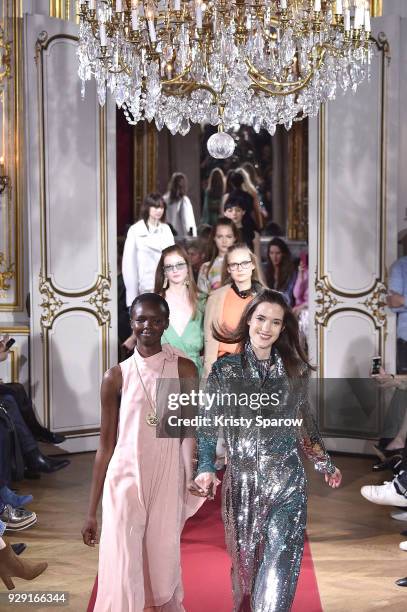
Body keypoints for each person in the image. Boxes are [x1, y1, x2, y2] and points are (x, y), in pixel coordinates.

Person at [195, 289, 342, 610]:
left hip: (287, 485)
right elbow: (207, 424)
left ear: (282, 329)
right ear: (248, 320)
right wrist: (205, 466)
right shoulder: (225, 371)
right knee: (246, 579)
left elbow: (306, 425)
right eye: (261, 318)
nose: (266, 328)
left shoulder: (294, 373)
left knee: (277, 574)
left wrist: (325, 463)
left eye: (276, 322)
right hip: (242, 488)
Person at [82, 293, 205, 611]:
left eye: (155, 319)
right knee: (123, 563)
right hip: (124, 479)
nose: (147, 325)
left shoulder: (183, 370)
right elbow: (105, 446)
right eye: (140, 319)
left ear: (165, 323)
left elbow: (183, 431)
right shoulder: (116, 376)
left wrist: (191, 473)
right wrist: (90, 511)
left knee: (160, 564)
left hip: (163, 477)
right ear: (132, 323)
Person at [203, 243, 264, 379]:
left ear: (253, 265)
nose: (240, 268)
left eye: (245, 263)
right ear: (228, 268)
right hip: (222, 370)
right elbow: (208, 340)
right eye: (234, 264)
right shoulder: (215, 298)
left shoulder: (266, 299)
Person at [154, 245, 204, 377]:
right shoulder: (154, 303)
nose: (175, 270)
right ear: (164, 272)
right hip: (162, 376)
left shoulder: (202, 301)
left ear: (188, 267)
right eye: (169, 267)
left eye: (180, 265)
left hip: (196, 377)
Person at [122, 193, 174, 308]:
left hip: (164, 287)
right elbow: (129, 265)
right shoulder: (135, 230)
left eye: (161, 207)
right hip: (144, 288)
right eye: (155, 207)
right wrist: (132, 298)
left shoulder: (166, 230)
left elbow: (173, 259)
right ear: (147, 208)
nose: (159, 210)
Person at [197, 218, 239, 297]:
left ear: (235, 238)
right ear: (214, 238)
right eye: (220, 236)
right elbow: (201, 300)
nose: (224, 241)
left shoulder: (243, 265)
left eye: (229, 236)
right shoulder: (206, 268)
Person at [223, 195, 261, 260]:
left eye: (238, 210)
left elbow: (257, 260)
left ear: (243, 212)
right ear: (225, 213)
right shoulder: (220, 235)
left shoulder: (253, 235)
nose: (234, 213)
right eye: (230, 210)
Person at [387, 256, 407, 373]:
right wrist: (399, 301)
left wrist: (403, 300)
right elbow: (393, 303)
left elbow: (400, 301)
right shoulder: (401, 265)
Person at [265, 237, 297, 306]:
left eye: (278, 253)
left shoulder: (290, 272)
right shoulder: (267, 270)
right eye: (271, 253)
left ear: (283, 254)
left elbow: (288, 298)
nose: (274, 257)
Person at [164, 173, 197, 237]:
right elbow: (188, 222)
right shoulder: (184, 201)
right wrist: (192, 237)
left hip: (168, 237)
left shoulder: (165, 199)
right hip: (182, 238)